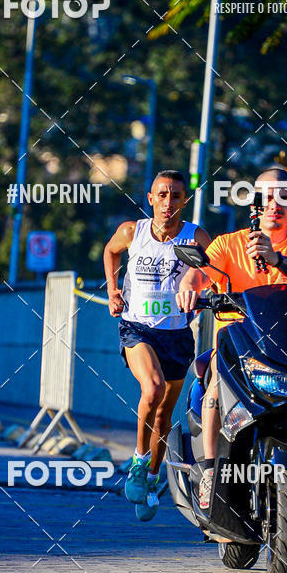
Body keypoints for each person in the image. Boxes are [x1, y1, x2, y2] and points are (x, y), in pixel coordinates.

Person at [176, 167, 287, 510]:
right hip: (235, 349)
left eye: (284, 197)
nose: (276, 204)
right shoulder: (228, 245)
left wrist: (277, 259)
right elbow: (197, 274)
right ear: (255, 203)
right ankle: (212, 472)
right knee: (214, 386)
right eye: (267, 196)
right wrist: (188, 288)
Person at [103, 170, 211, 520]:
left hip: (177, 335)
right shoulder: (132, 232)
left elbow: (216, 267)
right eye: (161, 195)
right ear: (150, 199)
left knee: (164, 414)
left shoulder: (196, 237)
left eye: (175, 196)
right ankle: (137, 462)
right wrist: (112, 290)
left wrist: (200, 286)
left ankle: (152, 477)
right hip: (138, 329)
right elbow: (110, 251)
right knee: (152, 389)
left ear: (184, 201)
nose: (168, 202)